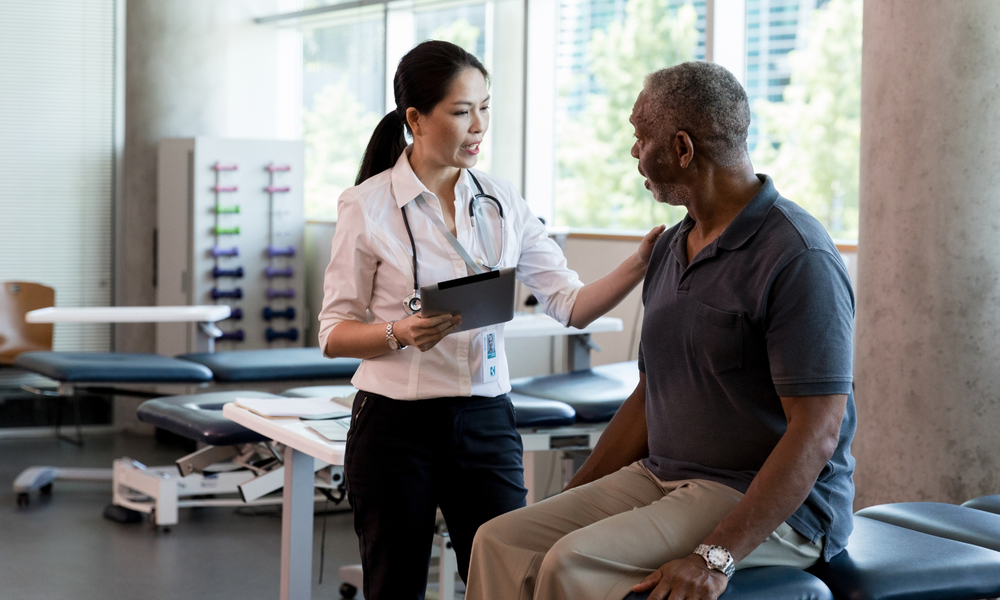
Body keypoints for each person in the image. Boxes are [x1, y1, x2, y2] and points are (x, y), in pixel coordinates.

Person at [465, 61, 856, 600]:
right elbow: (652, 394)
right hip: (662, 476)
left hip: (759, 499)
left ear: (682, 149)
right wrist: (571, 502)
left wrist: (716, 556)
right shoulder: (673, 246)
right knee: (500, 540)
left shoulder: (797, 255)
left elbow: (817, 432)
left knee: (571, 563)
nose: (633, 152)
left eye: (640, 136)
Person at [317, 40, 664, 600]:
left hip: (486, 421)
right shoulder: (367, 205)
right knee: (394, 585)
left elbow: (570, 305)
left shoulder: (503, 201)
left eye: (485, 108)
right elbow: (333, 334)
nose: (478, 126)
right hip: (393, 428)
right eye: (461, 112)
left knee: (510, 578)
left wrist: (639, 263)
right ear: (415, 119)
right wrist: (396, 334)